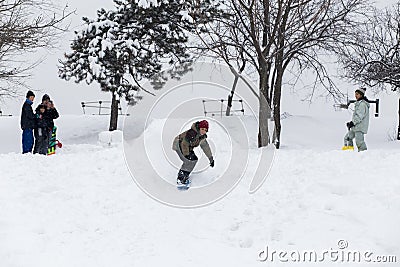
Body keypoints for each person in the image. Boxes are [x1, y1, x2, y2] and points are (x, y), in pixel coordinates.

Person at [172, 120, 214, 185]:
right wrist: (186, 155)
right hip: (178, 144)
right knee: (188, 160)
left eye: (205, 130)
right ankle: (180, 178)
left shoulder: (201, 137)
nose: (203, 131)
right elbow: (184, 144)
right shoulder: (192, 133)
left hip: (187, 147)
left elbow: (206, 147)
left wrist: (211, 159)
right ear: (199, 128)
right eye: (202, 129)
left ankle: (185, 175)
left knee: (194, 159)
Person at [342, 87, 370, 152]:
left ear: (361, 95)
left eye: (357, 94)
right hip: (355, 126)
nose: (355, 96)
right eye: (355, 94)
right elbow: (356, 116)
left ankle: (363, 154)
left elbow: (359, 117)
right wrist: (351, 123)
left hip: (360, 127)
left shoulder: (362, 104)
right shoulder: (358, 104)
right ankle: (349, 152)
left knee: (359, 142)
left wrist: (353, 123)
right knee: (347, 138)